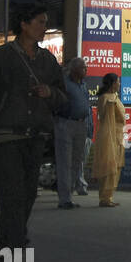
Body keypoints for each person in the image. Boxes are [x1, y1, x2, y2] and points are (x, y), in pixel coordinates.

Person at [0, 3, 67, 248]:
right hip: (6, 137)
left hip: (35, 136)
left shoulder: (47, 60)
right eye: (40, 22)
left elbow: (63, 97)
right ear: (24, 25)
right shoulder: (0, 58)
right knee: (11, 195)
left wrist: (50, 93)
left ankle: (9, 240)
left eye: (46, 23)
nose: (44, 28)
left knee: (28, 195)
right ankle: (14, 243)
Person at [54, 57, 91, 209]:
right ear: (75, 69)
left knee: (77, 161)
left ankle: (69, 195)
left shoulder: (83, 85)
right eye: (83, 68)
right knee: (65, 161)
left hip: (81, 124)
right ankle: (64, 198)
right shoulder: (65, 83)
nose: (86, 70)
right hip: (66, 123)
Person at [92, 73, 126, 207]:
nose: (119, 84)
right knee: (108, 166)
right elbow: (105, 115)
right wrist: (110, 104)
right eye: (118, 82)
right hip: (108, 135)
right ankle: (104, 198)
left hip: (118, 136)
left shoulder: (115, 97)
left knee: (116, 167)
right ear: (112, 84)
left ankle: (109, 196)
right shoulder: (105, 98)